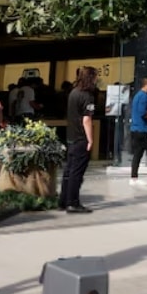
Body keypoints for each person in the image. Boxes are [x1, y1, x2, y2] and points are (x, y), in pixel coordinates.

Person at [59, 66, 97, 213]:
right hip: (81, 138)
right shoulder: (87, 96)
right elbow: (86, 120)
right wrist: (90, 140)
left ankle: (63, 200)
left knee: (68, 171)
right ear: (91, 77)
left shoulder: (73, 93)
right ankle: (73, 202)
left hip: (71, 137)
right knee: (77, 172)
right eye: (95, 76)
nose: (97, 79)